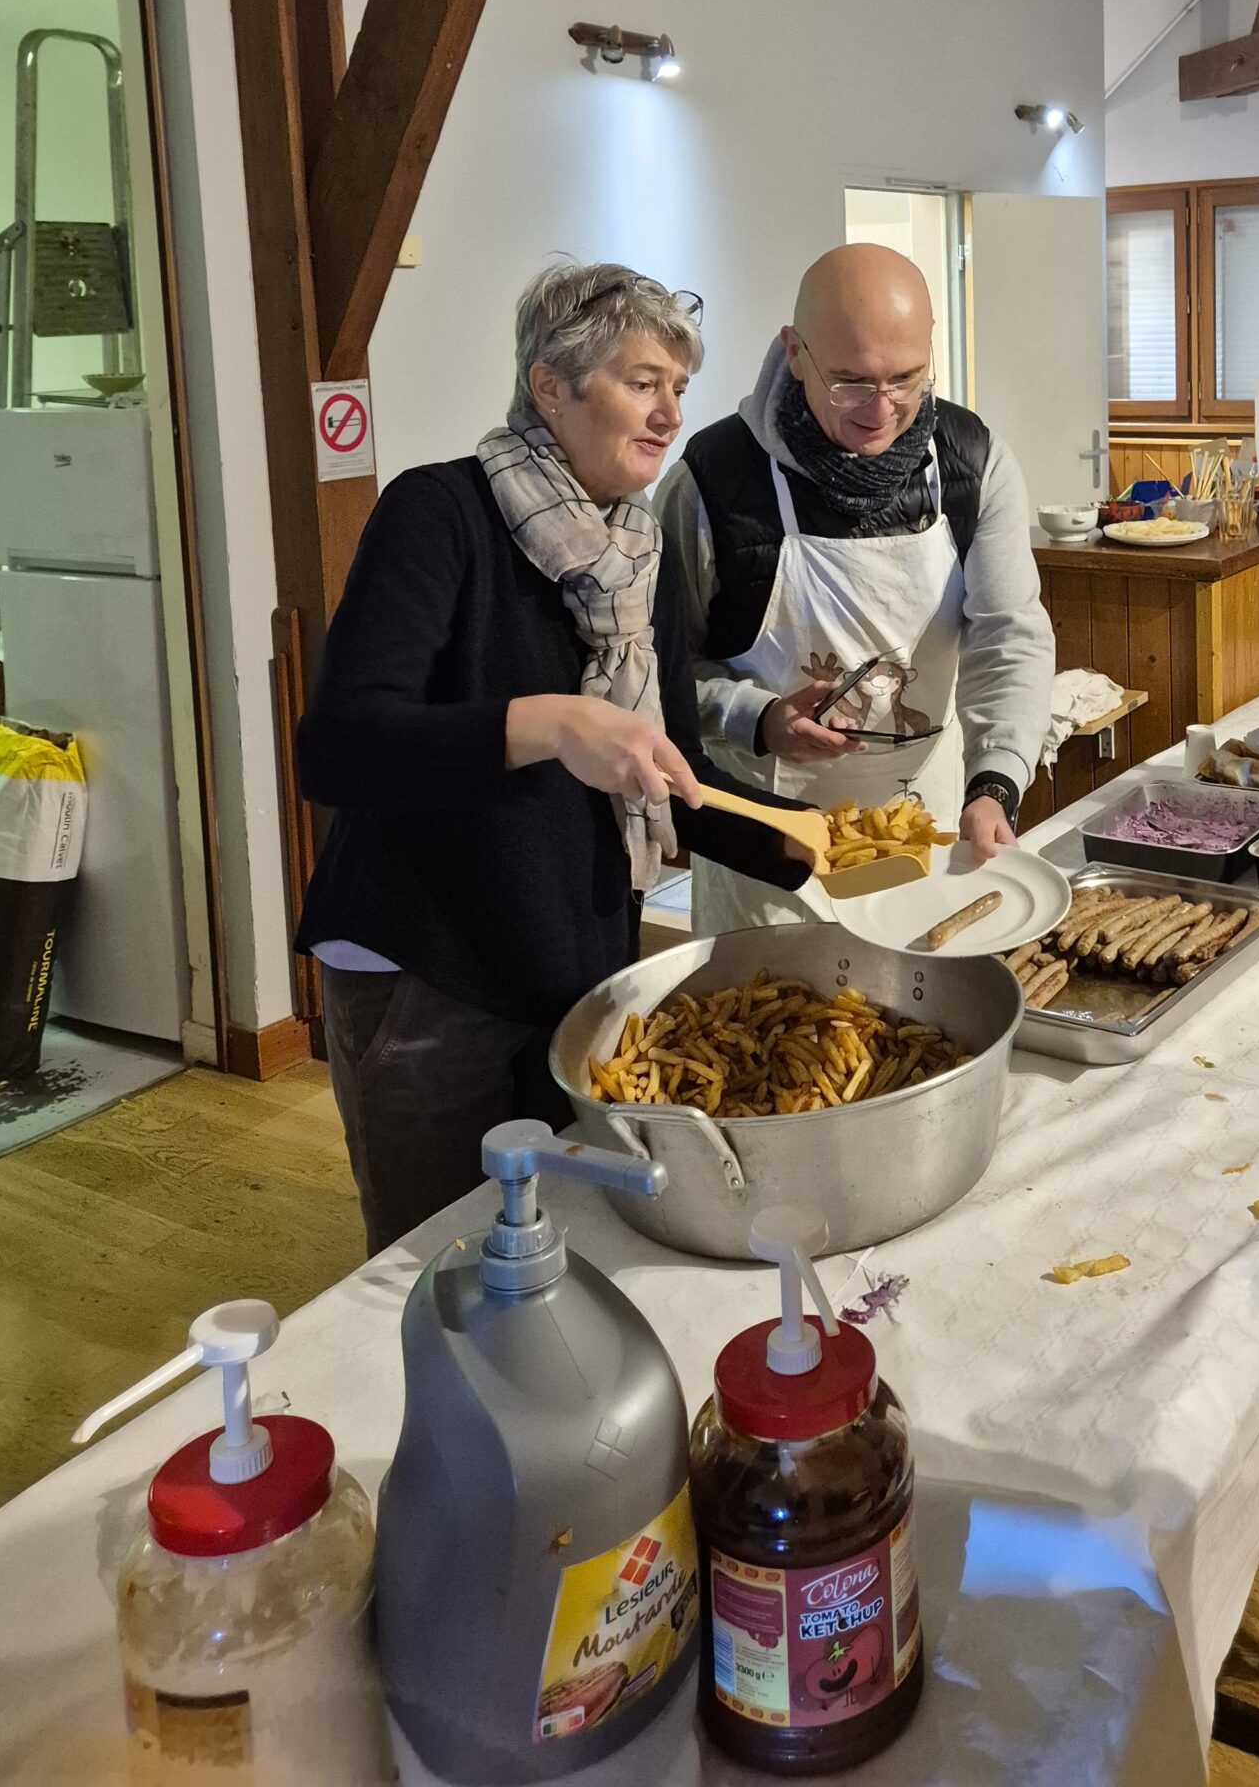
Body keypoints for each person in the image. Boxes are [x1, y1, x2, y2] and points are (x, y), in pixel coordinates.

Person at [296, 263, 808, 1253]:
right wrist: (550, 724)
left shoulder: (638, 554)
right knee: (441, 1264)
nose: (670, 414)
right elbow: (341, 748)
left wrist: (818, 843)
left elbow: (673, 776)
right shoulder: (439, 513)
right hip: (428, 976)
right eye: (643, 382)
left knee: (560, 1251)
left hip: (573, 970)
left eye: (678, 387)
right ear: (550, 386)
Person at [657, 242, 1055, 932]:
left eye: (906, 378)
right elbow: (657, 680)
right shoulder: (712, 482)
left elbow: (1009, 634)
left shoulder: (972, 462)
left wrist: (995, 782)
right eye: (850, 381)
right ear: (794, 352)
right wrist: (756, 717)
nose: (881, 409)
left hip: (925, 826)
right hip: (767, 850)